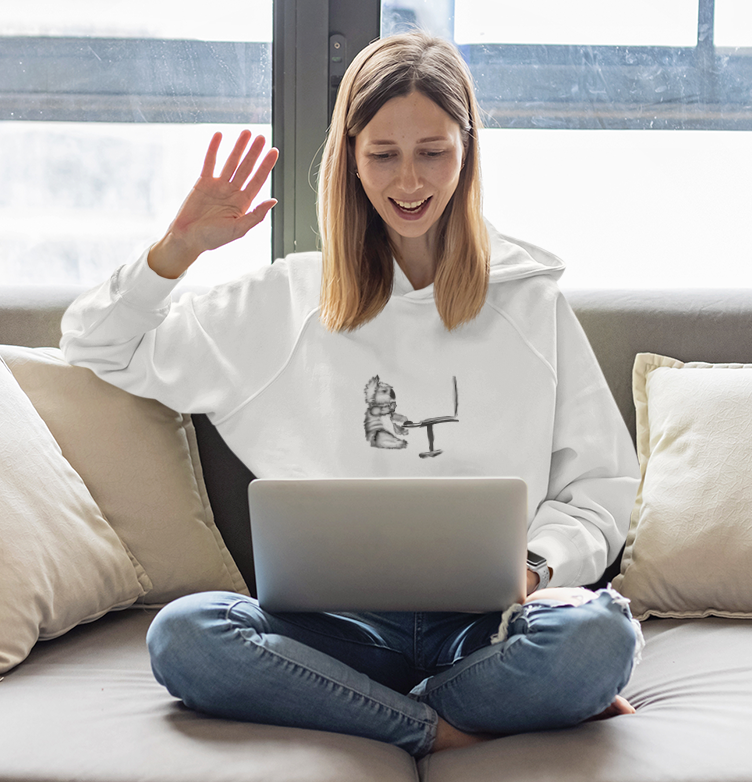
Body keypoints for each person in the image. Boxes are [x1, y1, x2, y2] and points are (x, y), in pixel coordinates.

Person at [60, 31, 642, 757]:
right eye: (383, 154)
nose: (409, 181)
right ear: (350, 157)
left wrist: (534, 566)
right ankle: (440, 728)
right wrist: (178, 247)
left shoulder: (529, 302)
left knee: (600, 635)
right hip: (336, 632)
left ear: (467, 149)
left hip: (483, 627)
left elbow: (601, 488)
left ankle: (384, 712)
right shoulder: (287, 299)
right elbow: (95, 343)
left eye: (433, 151)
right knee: (185, 635)